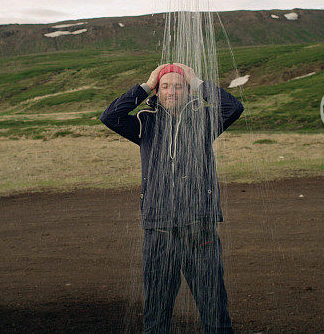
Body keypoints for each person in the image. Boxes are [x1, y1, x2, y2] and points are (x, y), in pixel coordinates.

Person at [100, 63, 244, 334]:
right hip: (159, 227)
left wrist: (197, 81)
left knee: (214, 310)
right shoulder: (145, 122)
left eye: (178, 86)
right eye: (165, 86)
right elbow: (111, 116)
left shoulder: (204, 121)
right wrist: (146, 84)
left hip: (200, 225)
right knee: (156, 312)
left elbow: (233, 108)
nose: (172, 91)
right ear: (157, 91)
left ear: (188, 91)